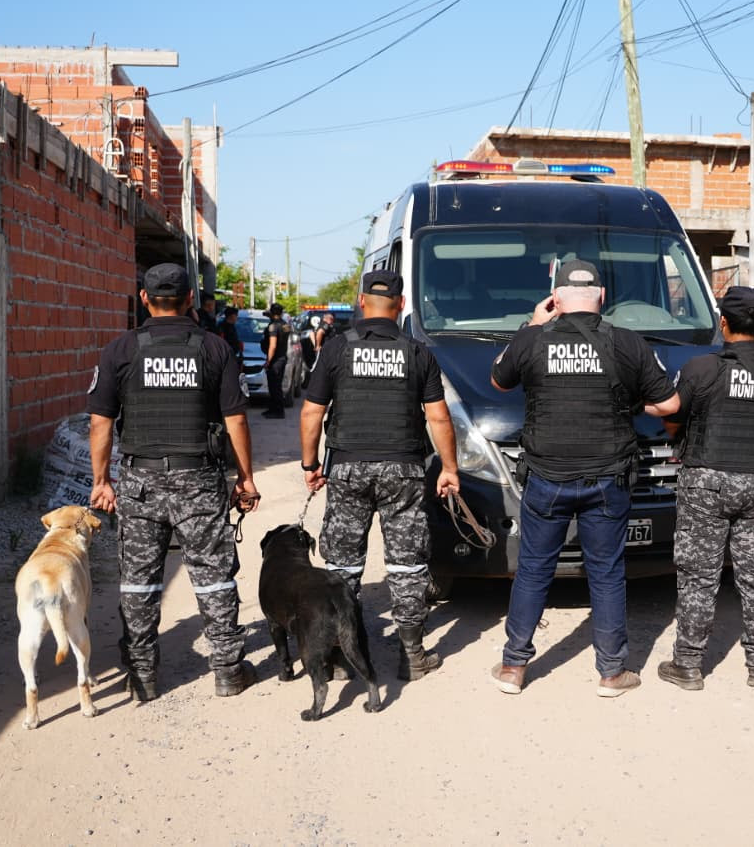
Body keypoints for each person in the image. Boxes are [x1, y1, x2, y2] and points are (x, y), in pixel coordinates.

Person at [489, 259, 680, 697]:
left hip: (546, 477)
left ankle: (513, 667)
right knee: (607, 572)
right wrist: (630, 404)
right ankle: (612, 673)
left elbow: (499, 380)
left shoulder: (532, 339)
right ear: (603, 297)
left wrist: (532, 324)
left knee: (533, 569)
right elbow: (670, 405)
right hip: (608, 478)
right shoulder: (627, 342)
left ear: (555, 299)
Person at [87, 262, 260, 701]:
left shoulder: (121, 350)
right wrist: (245, 478)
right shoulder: (215, 349)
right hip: (198, 478)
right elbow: (236, 420)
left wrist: (101, 481)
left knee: (139, 580)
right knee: (213, 574)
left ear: (144, 298)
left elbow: (100, 422)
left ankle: (142, 675)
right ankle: (228, 671)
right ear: (189, 300)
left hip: (139, 481)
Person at [299, 270, 460, 681]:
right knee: (407, 565)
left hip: (348, 468)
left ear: (361, 301)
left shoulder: (337, 348)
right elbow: (438, 417)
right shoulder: (417, 352)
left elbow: (312, 412)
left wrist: (310, 465)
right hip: (403, 469)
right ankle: (412, 654)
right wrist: (449, 468)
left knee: (342, 566)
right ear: (401, 304)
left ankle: (340, 658)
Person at [657, 287, 754, 691]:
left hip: (705, 485)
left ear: (722, 322)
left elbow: (673, 417)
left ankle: (688, 665)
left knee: (698, 577)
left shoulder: (701, 368)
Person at [261, 302, 289, 419]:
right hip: (282, 357)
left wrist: (268, 361)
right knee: (275, 385)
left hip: (275, 359)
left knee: (274, 386)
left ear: (272, 313)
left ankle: (278, 411)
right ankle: (272, 408)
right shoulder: (285, 324)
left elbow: (272, 345)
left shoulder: (273, 326)